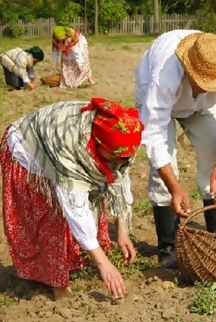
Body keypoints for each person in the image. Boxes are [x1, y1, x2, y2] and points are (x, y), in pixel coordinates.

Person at [1, 98, 143, 301]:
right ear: (97, 143)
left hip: (61, 141)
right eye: (115, 158)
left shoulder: (122, 143)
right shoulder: (70, 148)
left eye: (124, 158)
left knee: (91, 195)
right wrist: (104, 264)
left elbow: (119, 180)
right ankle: (57, 284)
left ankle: (75, 261)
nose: (120, 162)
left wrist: (122, 232)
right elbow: (75, 207)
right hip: (30, 147)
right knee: (52, 216)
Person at [134, 29, 216, 269]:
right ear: (188, 69)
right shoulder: (165, 72)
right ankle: (169, 249)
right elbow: (153, 132)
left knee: (213, 164)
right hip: (156, 104)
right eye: (202, 82)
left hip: (201, 109)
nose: (207, 87)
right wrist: (174, 186)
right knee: (163, 173)